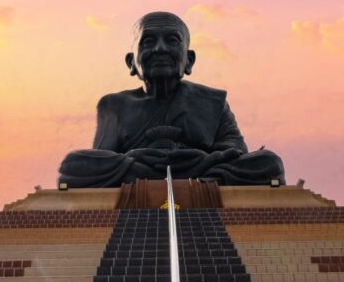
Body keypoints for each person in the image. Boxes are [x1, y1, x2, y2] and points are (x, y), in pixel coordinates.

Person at [57, 11, 285, 187]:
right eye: (148, 42)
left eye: (172, 40)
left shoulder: (212, 101)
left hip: (190, 168)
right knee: (73, 165)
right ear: (131, 62)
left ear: (189, 60)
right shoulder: (114, 105)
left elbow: (235, 151)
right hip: (162, 171)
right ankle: (191, 180)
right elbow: (103, 158)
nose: (160, 49)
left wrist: (197, 159)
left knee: (269, 163)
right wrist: (137, 158)